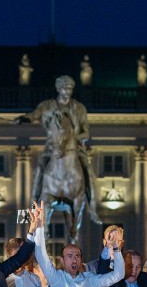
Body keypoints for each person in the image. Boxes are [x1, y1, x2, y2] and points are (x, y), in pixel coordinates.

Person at [13, 75, 100, 227]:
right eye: (65, 88)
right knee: (39, 169)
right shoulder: (47, 106)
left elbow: (86, 133)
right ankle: (31, 209)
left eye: (70, 88)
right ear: (59, 89)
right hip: (52, 148)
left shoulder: (79, 108)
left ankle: (92, 209)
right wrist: (23, 119)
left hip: (74, 148)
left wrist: (72, 138)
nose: (68, 91)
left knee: (88, 171)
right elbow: (34, 115)